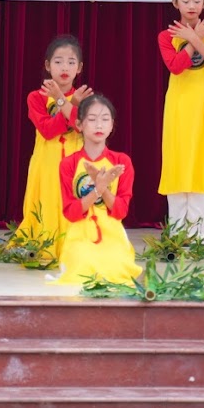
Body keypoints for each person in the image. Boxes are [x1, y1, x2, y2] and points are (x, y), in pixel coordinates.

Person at [158, 0, 204, 239]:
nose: (191, 5)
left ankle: (197, 239)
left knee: (201, 163)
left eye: (197, 1)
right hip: (179, 107)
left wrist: (196, 38)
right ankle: (176, 237)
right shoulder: (166, 36)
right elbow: (176, 66)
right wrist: (193, 39)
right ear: (175, 3)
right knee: (177, 163)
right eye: (186, 1)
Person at [14, 34, 92, 259]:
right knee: (48, 203)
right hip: (47, 163)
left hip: (76, 163)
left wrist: (67, 101)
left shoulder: (86, 98)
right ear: (48, 66)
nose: (64, 67)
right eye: (58, 61)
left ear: (79, 68)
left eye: (71, 62)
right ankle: (48, 246)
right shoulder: (36, 98)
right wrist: (67, 102)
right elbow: (47, 130)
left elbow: (80, 127)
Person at [52, 94, 140, 287]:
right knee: (83, 267)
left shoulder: (122, 162)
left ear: (112, 125)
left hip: (113, 234)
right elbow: (71, 212)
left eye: (105, 119)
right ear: (79, 124)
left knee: (116, 269)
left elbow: (120, 211)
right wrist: (97, 189)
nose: (99, 125)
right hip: (80, 235)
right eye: (92, 119)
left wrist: (103, 189)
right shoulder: (69, 163)